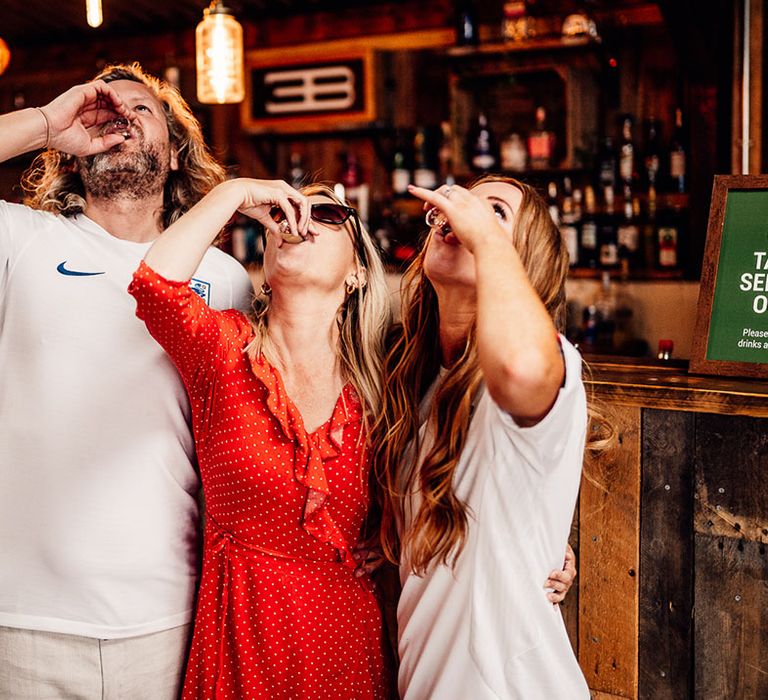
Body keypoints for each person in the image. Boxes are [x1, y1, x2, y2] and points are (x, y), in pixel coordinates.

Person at [0, 64, 253, 698]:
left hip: (172, 612)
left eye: (143, 110)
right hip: (26, 614)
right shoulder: (24, 240)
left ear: (174, 155)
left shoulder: (225, 279)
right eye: (106, 109)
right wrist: (47, 123)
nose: (121, 116)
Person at [127, 178, 394, 698]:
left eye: (327, 215)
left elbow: (460, 469)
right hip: (242, 642)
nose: (300, 220)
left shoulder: (386, 377)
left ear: (358, 272)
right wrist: (237, 193)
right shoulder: (222, 349)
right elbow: (154, 284)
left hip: (345, 646)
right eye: (286, 211)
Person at [374, 175, 592, 699]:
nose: (463, 213)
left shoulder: (552, 362)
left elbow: (518, 368)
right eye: (462, 203)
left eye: (494, 211)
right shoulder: (420, 380)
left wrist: (486, 237)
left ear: (521, 261)